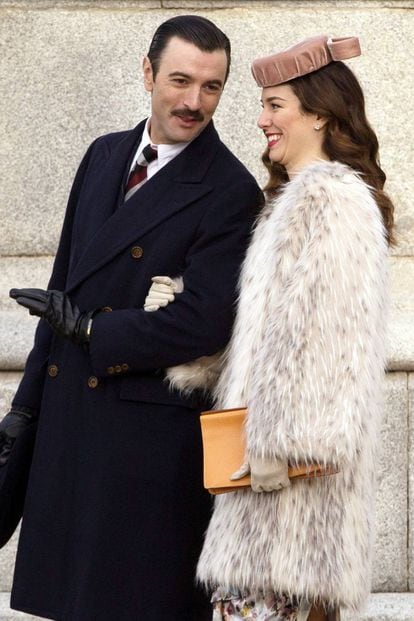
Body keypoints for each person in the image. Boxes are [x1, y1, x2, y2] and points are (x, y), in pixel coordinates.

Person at [1, 15, 263, 621]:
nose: (194, 102)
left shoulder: (229, 189)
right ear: (147, 74)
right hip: (71, 426)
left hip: (145, 448)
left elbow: (203, 323)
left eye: (212, 87)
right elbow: (62, 286)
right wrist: (25, 408)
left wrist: (96, 330)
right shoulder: (104, 154)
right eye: (180, 80)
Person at [145, 35, 394, 621]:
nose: (261, 120)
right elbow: (269, 335)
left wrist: (278, 449)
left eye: (275, 105)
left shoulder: (330, 201)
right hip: (265, 482)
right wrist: (189, 334)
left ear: (320, 113)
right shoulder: (294, 200)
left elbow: (329, 344)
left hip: (285, 494)